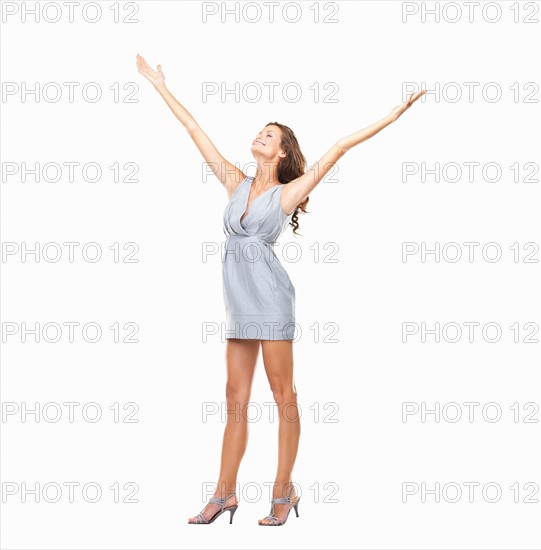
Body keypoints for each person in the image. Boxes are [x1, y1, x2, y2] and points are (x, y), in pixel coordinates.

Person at [136, 53, 425, 526]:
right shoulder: (234, 183)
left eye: (269, 135)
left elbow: (339, 147)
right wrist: (159, 85)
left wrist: (395, 114)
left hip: (270, 301)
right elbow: (195, 131)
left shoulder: (284, 194)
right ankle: (224, 493)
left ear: (282, 152)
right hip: (237, 304)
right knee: (234, 398)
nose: (259, 136)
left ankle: (283, 491)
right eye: (260, 131)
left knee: (282, 395)